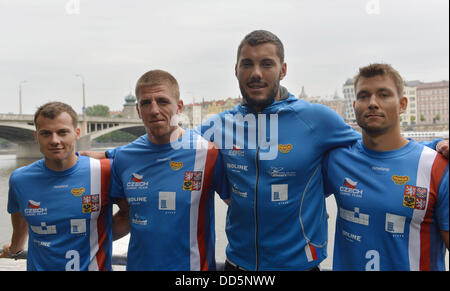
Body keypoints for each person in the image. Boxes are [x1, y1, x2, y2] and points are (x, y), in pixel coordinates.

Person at [197, 30, 362, 271]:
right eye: (247, 64)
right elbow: (169, 150)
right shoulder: (217, 127)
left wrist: (434, 146)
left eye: (266, 64)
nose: (256, 73)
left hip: (300, 266)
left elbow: (376, 148)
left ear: (283, 70)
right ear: (236, 70)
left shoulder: (316, 119)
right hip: (238, 266)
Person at [323, 63, 449, 271]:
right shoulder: (336, 160)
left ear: (402, 104)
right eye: (364, 96)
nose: (373, 103)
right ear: (354, 105)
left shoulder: (436, 166)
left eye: (383, 95)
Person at [107, 70, 228, 270]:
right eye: (146, 103)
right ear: (138, 110)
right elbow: (125, 217)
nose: (154, 110)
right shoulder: (123, 157)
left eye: (162, 101)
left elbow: (241, 211)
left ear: (179, 107)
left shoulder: (207, 153)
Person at [1, 102, 127, 271]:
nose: (54, 140)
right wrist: (14, 249)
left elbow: (129, 215)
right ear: (36, 136)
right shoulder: (19, 179)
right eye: (46, 133)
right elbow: (20, 222)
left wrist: (96, 239)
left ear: (77, 133)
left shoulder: (104, 171)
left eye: (62, 132)